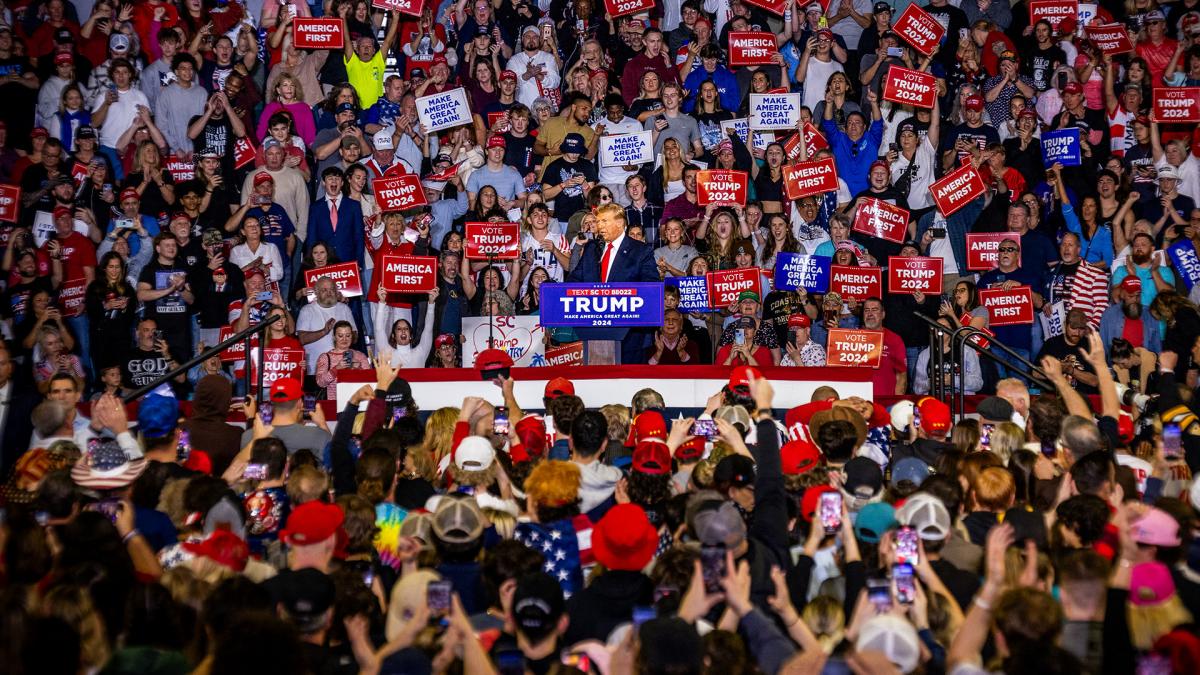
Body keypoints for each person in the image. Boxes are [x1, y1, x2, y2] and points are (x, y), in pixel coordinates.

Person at [568, 203, 659, 364]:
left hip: (631, 337)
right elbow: (574, 280)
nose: (599, 226)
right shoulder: (591, 249)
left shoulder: (640, 251)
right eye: (598, 221)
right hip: (594, 333)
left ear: (620, 223)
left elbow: (650, 287)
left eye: (604, 221)